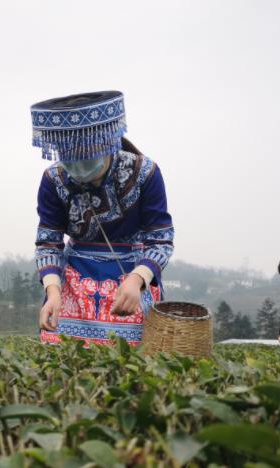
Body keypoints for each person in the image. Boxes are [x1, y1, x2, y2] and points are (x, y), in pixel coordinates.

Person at [31, 90, 174, 346]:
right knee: (63, 357)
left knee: (133, 360)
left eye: (85, 154)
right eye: (68, 156)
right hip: (75, 278)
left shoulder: (145, 173)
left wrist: (137, 279)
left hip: (132, 272)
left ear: (107, 141)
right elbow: (48, 242)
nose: (76, 164)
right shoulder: (53, 179)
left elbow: (160, 240)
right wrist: (52, 291)